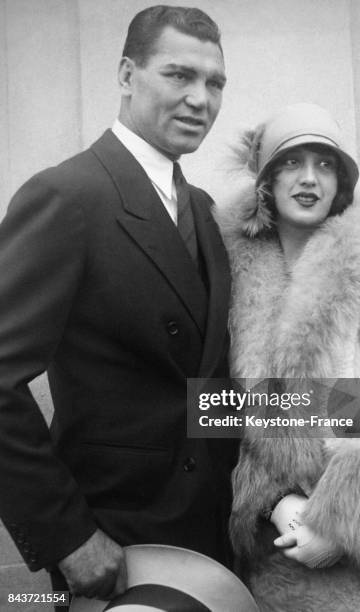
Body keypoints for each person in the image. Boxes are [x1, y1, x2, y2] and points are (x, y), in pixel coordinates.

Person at [0, 5, 236, 604]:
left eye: (214, 83)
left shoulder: (206, 210)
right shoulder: (69, 195)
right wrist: (70, 539)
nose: (199, 99)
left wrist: (353, 415)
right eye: (178, 75)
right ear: (127, 75)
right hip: (115, 542)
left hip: (213, 533)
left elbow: (205, 387)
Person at [218, 103, 360, 611]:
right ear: (266, 179)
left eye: (325, 163)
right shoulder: (229, 270)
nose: (309, 179)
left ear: (343, 180)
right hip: (279, 549)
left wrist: (344, 520)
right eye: (292, 163)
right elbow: (215, 405)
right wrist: (271, 502)